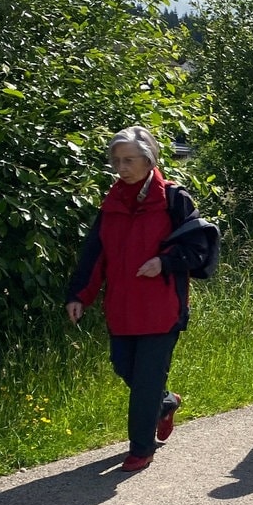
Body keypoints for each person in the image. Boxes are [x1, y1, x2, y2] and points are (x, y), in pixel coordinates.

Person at [66, 126, 210, 472]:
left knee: (145, 380)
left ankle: (141, 448)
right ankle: (166, 402)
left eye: (129, 160)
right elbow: (94, 255)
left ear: (149, 159)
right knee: (123, 366)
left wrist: (164, 262)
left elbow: (197, 247)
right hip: (121, 307)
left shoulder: (174, 199)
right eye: (117, 160)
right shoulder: (112, 202)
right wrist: (79, 296)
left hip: (162, 307)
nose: (122, 167)